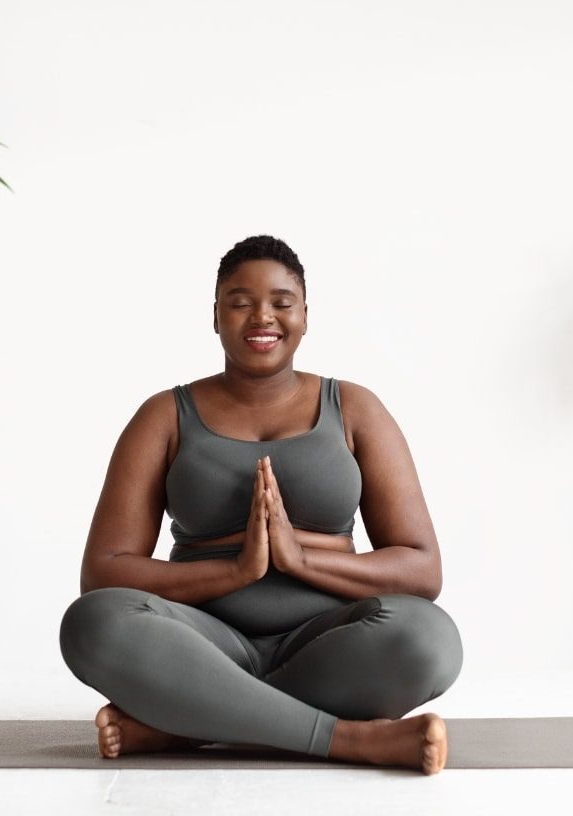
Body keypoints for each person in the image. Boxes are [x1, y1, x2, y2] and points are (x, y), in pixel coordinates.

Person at [59, 235, 463, 775]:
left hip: (331, 641)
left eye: (280, 301)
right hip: (200, 642)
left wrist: (299, 560)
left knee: (430, 639)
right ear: (216, 315)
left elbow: (421, 568)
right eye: (240, 301)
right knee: (94, 622)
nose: (262, 316)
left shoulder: (355, 408)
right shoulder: (164, 415)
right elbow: (104, 572)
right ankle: (351, 741)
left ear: (304, 314)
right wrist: (235, 570)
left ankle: (188, 725)